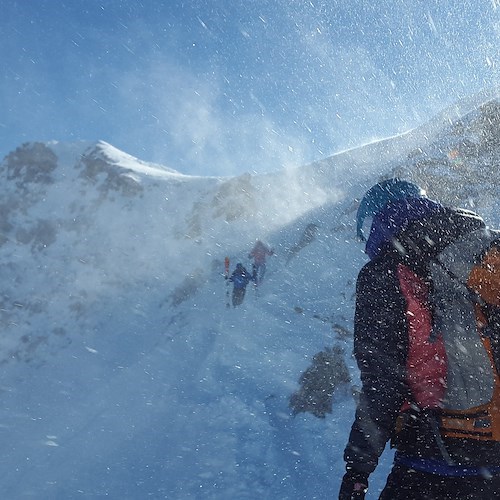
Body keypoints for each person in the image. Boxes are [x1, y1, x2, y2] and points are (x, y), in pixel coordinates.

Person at [339, 178, 500, 499]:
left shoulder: (386, 271)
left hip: (435, 457)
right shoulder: (485, 242)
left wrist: (357, 470)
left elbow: (384, 382)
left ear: (378, 220)